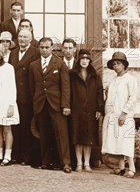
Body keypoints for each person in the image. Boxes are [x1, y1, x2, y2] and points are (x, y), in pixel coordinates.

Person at [29, 37, 72, 173]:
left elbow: (65, 87)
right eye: (42, 47)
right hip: (41, 103)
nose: (44, 50)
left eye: (47, 47)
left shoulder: (59, 64)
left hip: (56, 104)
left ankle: (65, 162)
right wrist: (35, 102)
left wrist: (65, 105)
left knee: (61, 133)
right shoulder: (33, 65)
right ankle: (45, 161)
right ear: (39, 48)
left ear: (52, 48)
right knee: (44, 134)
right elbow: (32, 87)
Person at [102, 52, 137, 178]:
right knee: (118, 141)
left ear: (124, 65)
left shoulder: (130, 80)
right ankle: (121, 167)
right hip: (113, 115)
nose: (116, 66)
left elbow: (132, 98)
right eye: (114, 64)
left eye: (119, 64)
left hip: (124, 116)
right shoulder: (113, 81)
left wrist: (124, 113)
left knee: (126, 141)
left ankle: (132, 168)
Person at [9, 29, 40, 166]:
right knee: (15, 126)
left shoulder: (35, 52)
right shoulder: (13, 53)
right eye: (20, 37)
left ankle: (27, 156)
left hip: (27, 96)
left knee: (27, 127)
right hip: (14, 95)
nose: (22, 39)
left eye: (25, 37)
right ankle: (16, 155)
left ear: (31, 38)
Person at [69, 49, 103, 172]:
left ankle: (87, 163)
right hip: (76, 110)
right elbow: (69, 92)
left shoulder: (95, 76)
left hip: (91, 110)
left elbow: (99, 92)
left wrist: (99, 108)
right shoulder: (72, 75)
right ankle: (79, 163)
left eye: (86, 59)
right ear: (78, 60)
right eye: (82, 59)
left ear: (90, 61)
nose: (84, 61)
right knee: (77, 136)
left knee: (89, 137)